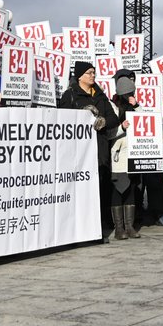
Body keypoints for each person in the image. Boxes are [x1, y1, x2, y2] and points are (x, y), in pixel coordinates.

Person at [59, 62, 120, 241]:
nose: (93, 76)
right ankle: (77, 230)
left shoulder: (100, 95)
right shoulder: (70, 95)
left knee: (99, 188)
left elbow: (113, 118)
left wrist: (103, 121)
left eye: (94, 72)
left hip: (99, 149)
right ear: (79, 76)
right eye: (89, 73)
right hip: (77, 151)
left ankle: (96, 229)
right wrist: (80, 114)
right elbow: (62, 120)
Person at [106, 75, 142, 240]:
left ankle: (129, 226)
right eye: (127, 93)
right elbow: (109, 133)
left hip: (134, 154)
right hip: (119, 156)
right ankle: (119, 228)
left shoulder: (135, 107)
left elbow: (146, 124)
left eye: (132, 93)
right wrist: (122, 127)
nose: (130, 96)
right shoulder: (113, 108)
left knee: (131, 190)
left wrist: (138, 107)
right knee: (117, 190)